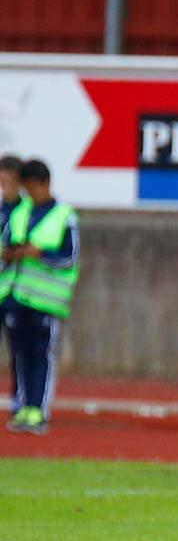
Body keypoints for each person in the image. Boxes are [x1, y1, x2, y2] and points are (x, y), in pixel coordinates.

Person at [1, 160, 80, 435]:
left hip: (46, 300)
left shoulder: (64, 215)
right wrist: (11, 253)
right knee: (20, 355)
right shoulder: (20, 213)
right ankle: (21, 405)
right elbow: (7, 243)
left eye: (33, 187)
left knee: (41, 354)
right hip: (17, 294)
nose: (30, 193)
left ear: (45, 183)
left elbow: (69, 257)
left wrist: (40, 254)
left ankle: (38, 408)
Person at [0, 153, 22, 416]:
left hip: (17, 290)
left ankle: (20, 397)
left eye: (11, 180)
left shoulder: (25, 212)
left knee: (19, 350)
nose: (6, 185)